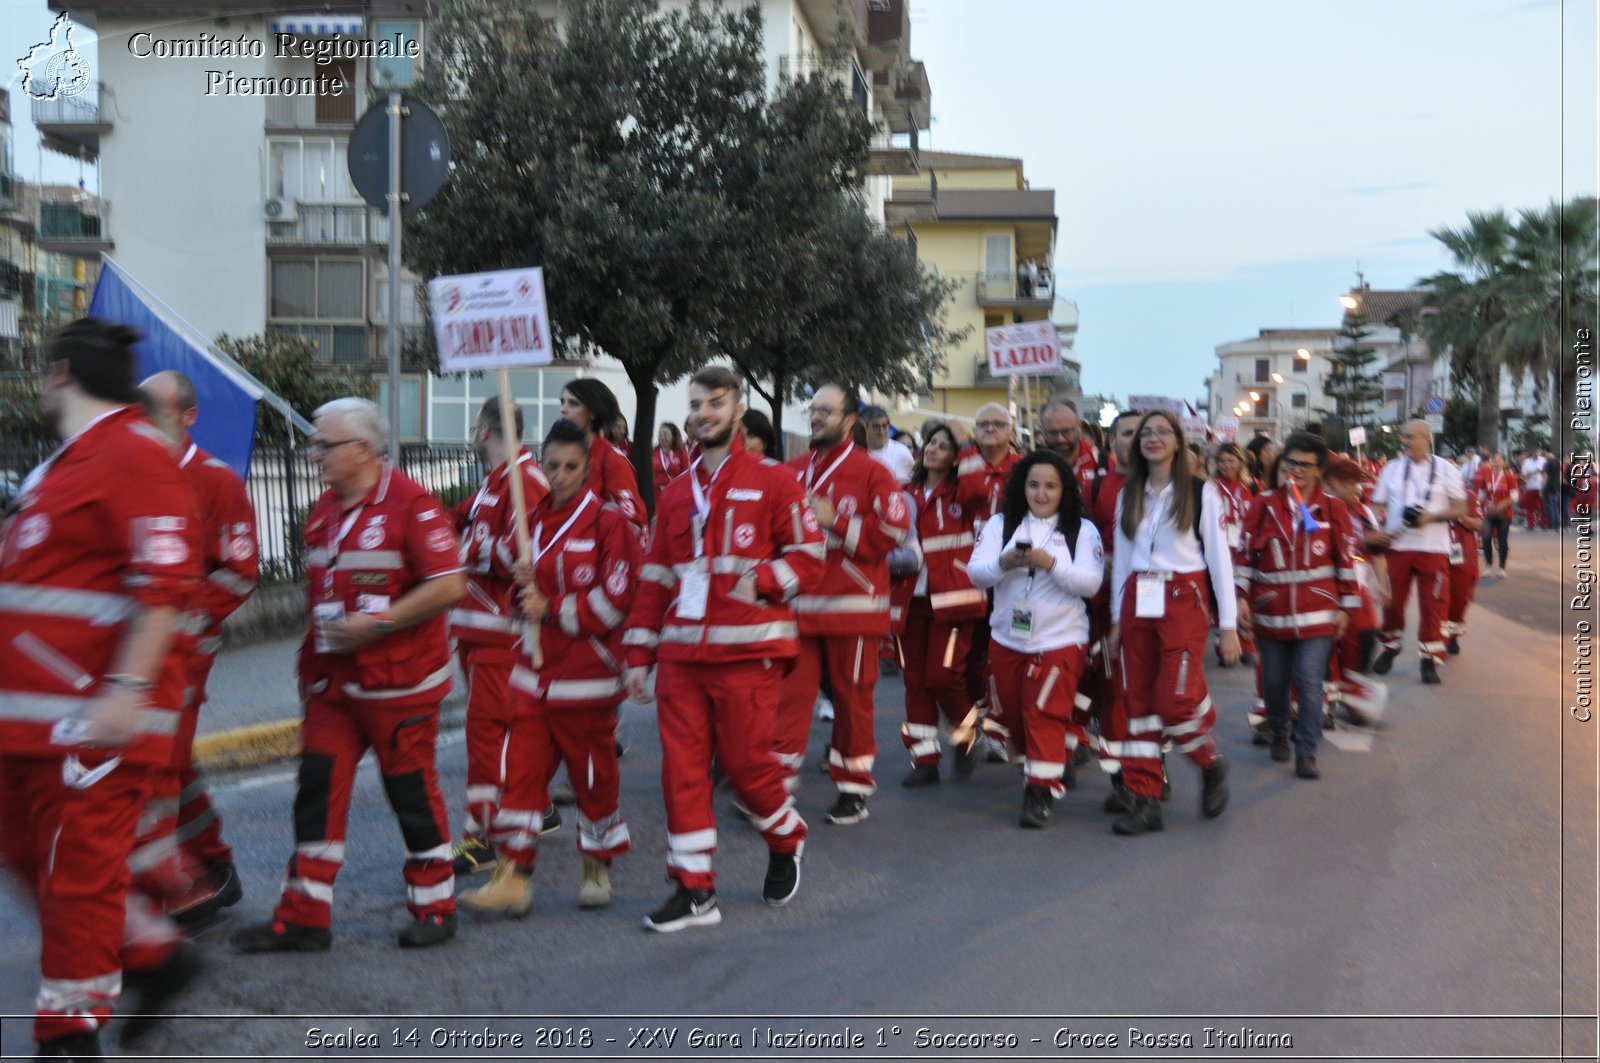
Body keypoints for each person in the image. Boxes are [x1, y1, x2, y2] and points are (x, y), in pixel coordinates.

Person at [0, 320, 203, 1059]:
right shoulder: (64, 466)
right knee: (28, 857)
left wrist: (123, 690)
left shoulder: (131, 453)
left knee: (76, 884)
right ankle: (155, 952)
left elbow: (167, 583)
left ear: (59, 375)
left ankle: (68, 1035)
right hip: (29, 726)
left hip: (92, 723)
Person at [233, 398, 466, 953]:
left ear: (362, 450)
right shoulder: (323, 511)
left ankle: (436, 907)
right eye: (314, 445)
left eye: (323, 445)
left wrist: (379, 623)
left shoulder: (413, 506)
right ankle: (304, 916)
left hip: (398, 684)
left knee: (410, 792)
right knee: (316, 792)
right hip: (333, 685)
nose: (313, 454)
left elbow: (448, 585)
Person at [623, 366, 823, 932]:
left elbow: (810, 557)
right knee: (681, 771)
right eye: (695, 404)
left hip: (749, 653)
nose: (703, 412)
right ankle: (694, 889)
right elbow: (656, 578)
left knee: (744, 766)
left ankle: (785, 835)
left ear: (738, 411)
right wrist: (639, 654)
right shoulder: (678, 491)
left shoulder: (776, 480)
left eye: (715, 402)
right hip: (683, 659)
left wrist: (760, 581)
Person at [459, 420, 641, 916]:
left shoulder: (608, 524)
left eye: (571, 467)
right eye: (552, 465)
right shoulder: (531, 520)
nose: (559, 476)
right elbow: (520, 602)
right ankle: (512, 875)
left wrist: (552, 607)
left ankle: (596, 863)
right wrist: (521, 590)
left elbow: (617, 601)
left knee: (592, 778)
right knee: (520, 775)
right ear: (539, 464)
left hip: (588, 678)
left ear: (586, 469)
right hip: (531, 676)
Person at [134, 371, 260, 928]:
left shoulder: (216, 482)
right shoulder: (132, 473)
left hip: (183, 652)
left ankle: (171, 889)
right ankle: (209, 864)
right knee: (171, 765)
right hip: (135, 652)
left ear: (188, 417)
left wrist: (178, 621)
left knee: (158, 769)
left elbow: (240, 573)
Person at [778, 382, 910, 823]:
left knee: (853, 702)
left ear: (849, 421)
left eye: (826, 412)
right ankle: (773, 788)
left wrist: (837, 522)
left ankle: (853, 789)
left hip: (852, 608)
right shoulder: (793, 470)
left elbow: (894, 531)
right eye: (813, 410)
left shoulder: (874, 472)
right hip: (799, 606)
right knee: (790, 699)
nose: (815, 417)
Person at [1106, 409, 1238, 835]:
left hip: (1183, 600)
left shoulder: (1201, 492)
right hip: (1137, 602)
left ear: (1178, 442)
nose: (1153, 438)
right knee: (1138, 707)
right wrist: (1114, 620)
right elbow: (1124, 563)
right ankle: (1145, 801)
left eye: (1163, 431)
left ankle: (1210, 764)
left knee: (1173, 701)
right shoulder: (1130, 494)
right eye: (1146, 433)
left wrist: (1230, 624)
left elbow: (1220, 563)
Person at [445, 398, 552, 878]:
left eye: (474, 428)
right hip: (477, 628)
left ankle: (482, 834)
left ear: (483, 430)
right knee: (496, 732)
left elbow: (520, 553)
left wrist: (470, 549)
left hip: (500, 633)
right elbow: (451, 525)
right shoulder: (496, 481)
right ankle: (536, 806)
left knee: (488, 734)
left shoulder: (525, 481)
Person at [967, 451, 1104, 827]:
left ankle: (1039, 792)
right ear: (1021, 487)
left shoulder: (1082, 530)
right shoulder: (1001, 524)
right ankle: (1056, 754)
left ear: (1064, 490)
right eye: (1033, 485)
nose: (1041, 494)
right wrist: (1003, 563)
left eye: (1050, 486)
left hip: (1060, 640)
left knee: (1041, 713)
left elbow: (1090, 583)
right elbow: (976, 573)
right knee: (1014, 716)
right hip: (1007, 639)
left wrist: (1050, 563)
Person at [1234, 432, 1361, 780]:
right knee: (1274, 685)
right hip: (1270, 613)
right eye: (1291, 463)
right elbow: (1245, 554)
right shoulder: (1263, 504)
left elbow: (1345, 561)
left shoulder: (1333, 508)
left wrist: (1347, 608)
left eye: (1305, 465)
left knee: (1308, 681)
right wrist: (1242, 596)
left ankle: (1307, 750)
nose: (1297, 470)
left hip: (1318, 614)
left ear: (1319, 471)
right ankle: (1278, 729)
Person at [897, 423, 987, 787]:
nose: (934, 449)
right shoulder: (906, 493)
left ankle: (966, 736)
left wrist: (967, 444)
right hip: (909, 600)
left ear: (956, 459)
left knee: (943, 675)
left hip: (953, 600)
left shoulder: (960, 494)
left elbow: (979, 489)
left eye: (944, 446)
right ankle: (925, 760)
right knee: (915, 682)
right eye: (931, 442)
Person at [1368, 420, 1468, 683]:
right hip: (1398, 546)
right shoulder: (1392, 468)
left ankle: (1429, 660)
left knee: (1433, 605)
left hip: (1433, 548)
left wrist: (1431, 517)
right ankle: (1391, 647)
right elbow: (1376, 504)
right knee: (1392, 604)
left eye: (1410, 436)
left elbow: (1461, 509)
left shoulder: (1447, 469)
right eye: (1404, 437)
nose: (1405, 441)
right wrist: (1378, 522)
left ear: (1425, 437)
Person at [1324, 457, 1390, 727]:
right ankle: (1325, 701)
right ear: (1334, 483)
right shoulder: (1321, 509)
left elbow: (1377, 552)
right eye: (1352, 484)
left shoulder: (1363, 512)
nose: (1358, 490)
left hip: (1357, 586)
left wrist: (1382, 586)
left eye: (1359, 484)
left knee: (1365, 634)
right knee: (1327, 645)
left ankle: (1350, 690)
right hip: (1326, 586)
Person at [558, 379, 646, 535]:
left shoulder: (612, 460)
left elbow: (634, 523)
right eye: (562, 401)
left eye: (573, 404)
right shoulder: (560, 455)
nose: (563, 409)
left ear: (593, 413)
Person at [1443, 478, 1483, 655]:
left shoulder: (1468, 496)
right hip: (1438, 552)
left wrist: (1457, 513)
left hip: (1463, 557)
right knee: (1437, 597)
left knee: (1459, 599)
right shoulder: (1432, 496)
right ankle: (1438, 635)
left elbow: (1478, 524)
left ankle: (1452, 635)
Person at [1038, 396, 1097, 494]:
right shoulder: (1034, 465)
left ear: (1078, 427)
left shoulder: (1100, 461)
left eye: (1066, 431)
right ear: (1043, 431)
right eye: (1053, 433)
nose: (1060, 439)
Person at [1477, 452, 1514, 578]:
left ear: (1503, 462)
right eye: (1494, 459)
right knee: (1486, 538)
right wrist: (1482, 506)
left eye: (1499, 459)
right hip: (1489, 513)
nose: (1496, 461)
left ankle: (1502, 568)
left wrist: (1502, 505)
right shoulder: (1487, 477)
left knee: (1502, 540)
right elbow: (1481, 495)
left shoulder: (1509, 477)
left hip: (1504, 514)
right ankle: (1488, 565)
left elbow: (1514, 496)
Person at [863, 405, 915, 485]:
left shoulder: (901, 451)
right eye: (876, 427)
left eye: (884, 426)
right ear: (865, 428)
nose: (881, 431)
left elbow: (906, 486)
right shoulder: (853, 450)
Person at [652, 421, 689, 502]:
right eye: (660, 434)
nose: (662, 437)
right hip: (656, 496)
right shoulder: (653, 453)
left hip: (675, 494)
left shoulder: (681, 453)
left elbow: (686, 475)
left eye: (665, 434)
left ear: (673, 436)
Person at [1519, 448, 1547, 529]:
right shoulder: (1527, 461)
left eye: (1538, 452)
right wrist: (1532, 473)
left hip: (1541, 486)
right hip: (1530, 486)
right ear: (1532, 453)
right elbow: (1523, 474)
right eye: (1535, 452)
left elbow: (1546, 473)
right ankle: (1531, 523)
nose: (1537, 454)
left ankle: (1544, 523)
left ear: (1540, 453)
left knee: (1542, 507)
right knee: (1530, 507)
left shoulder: (1543, 460)